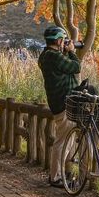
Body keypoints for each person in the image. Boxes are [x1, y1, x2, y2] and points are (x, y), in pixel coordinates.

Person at [38, 26, 81, 188]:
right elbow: (76, 67)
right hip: (63, 103)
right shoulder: (54, 56)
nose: (65, 43)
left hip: (57, 102)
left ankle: (61, 172)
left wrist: (65, 50)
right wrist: (71, 51)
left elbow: (63, 68)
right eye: (63, 40)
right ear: (58, 41)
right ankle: (55, 176)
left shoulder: (45, 56)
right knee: (62, 141)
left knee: (65, 138)